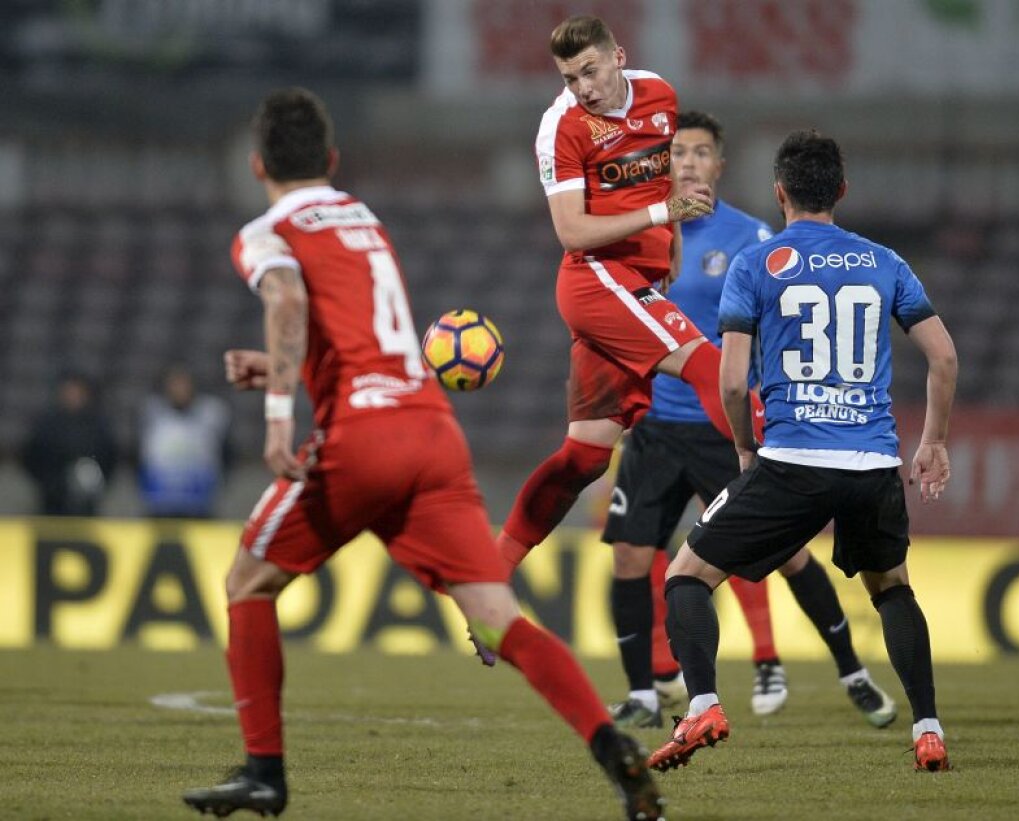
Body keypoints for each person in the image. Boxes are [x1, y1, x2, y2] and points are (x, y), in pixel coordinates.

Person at [182, 88, 663, 821]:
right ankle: (608, 744)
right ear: (334, 160)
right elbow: (355, 329)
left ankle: (263, 772)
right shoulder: (362, 216)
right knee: (499, 615)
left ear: (257, 165)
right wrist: (279, 366)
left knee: (247, 581)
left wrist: (278, 415)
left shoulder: (266, 229)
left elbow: (287, 302)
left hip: (361, 440)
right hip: (432, 434)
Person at [646, 129, 957, 774]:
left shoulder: (755, 264)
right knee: (893, 589)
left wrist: (743, 449)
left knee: (687, 576)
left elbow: (732, 381)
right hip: (872, 464)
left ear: (779, 193)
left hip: (792, 460)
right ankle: (928, 728)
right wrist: (933, 442)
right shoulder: (883, 261)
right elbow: (944, 356)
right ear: (841, 191)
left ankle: (703, 703)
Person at [602, 112, 896, 730]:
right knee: (630, 557)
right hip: (655, 426)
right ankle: (644, 697)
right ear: (661, 162)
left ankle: (851, 669)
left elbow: (780, 329)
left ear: (719, 165)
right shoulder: (639, 233)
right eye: (676, 152)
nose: (687, 163)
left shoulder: (751, 240)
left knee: (787, 554)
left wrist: (763, 408)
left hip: (720, 424)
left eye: (700, 153)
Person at [494, 15, 757, 575]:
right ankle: (776, 471)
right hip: (594, 278)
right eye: (570, 78)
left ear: (618, 57)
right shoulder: (560, 127)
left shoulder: (660, 94)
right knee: (711, 367)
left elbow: (660, 181)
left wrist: (673, 244)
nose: (583, 88)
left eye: (589, 71)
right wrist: (668, 214)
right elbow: (572, 232)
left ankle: (492, 569)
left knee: (585, 456)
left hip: (637, 279)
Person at [138, 363, 232, 518]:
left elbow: (226, 454)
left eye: (183, 384)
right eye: (175, 385)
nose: (180, 390)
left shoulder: (211, 415)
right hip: (160, 503)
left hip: (200, 504)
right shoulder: (153, 415)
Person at [20, 370, 117, 516]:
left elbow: (109, 456)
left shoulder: (98, 425)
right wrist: (50, 483)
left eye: (77, 392)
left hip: (87, 500)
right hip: (52, 500)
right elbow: (31, 456)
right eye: (69, 391)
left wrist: (96, 479)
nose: (73, 396)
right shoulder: (46, 424)